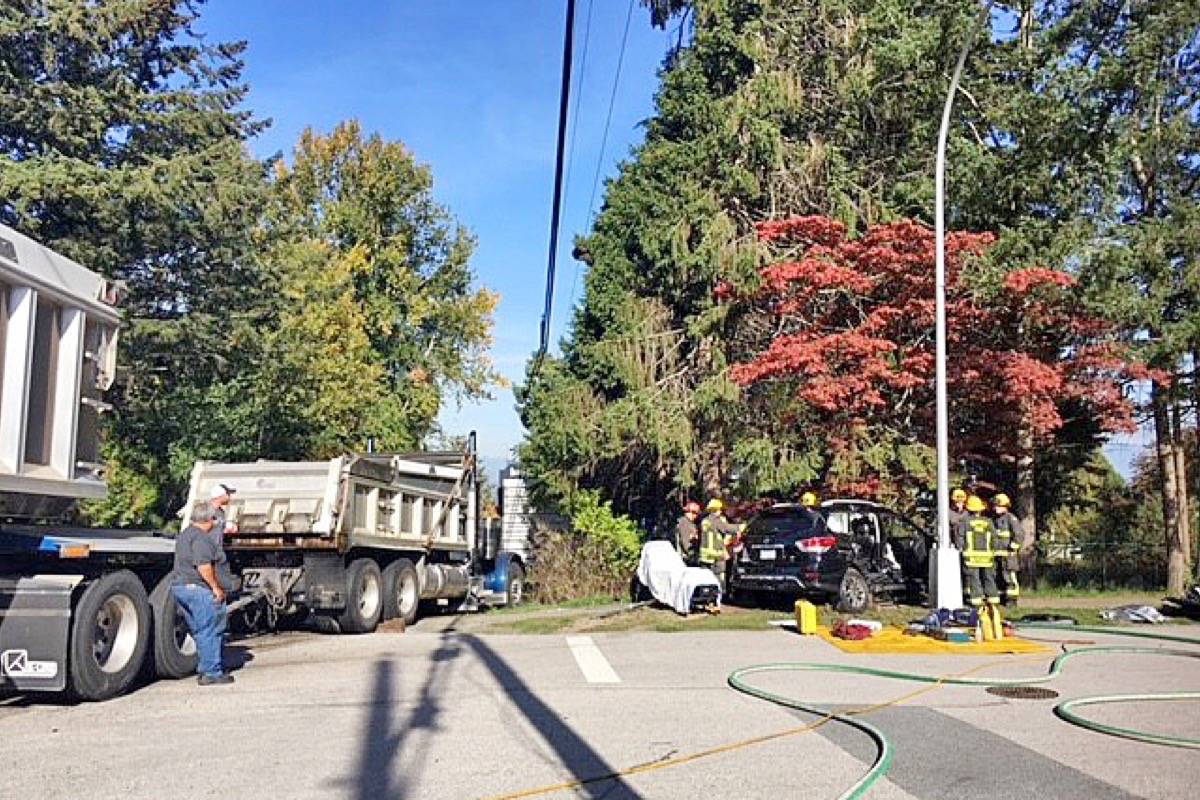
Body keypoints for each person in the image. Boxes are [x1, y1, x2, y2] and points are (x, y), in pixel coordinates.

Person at [171, 503, 235, 685]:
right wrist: (216, 587)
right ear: (210, 520)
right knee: (211, 629)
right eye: (214, 518)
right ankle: (212, 672)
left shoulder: (185, 536)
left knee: (200, 630)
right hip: (199, 589)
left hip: (182, 587)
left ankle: (205, 667)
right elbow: (203, 566)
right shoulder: (202, 539)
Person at [962, 495, 1003, 637]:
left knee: (974, 580)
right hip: (987, 558)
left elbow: (960, 538)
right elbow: (995, 539)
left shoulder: (965, 522)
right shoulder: (988, 522)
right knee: (989, 579)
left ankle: (977, 603)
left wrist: (962, 550)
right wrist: (994, 552)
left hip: (971, 558)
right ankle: (993, 602)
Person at [991, 493, 1025, 605]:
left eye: (997, 505)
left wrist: (1013, 547)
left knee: (1009, 577)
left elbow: (1019, 534)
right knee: (998, 577)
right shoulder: (994, 519)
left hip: (1008, 555)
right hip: (997, 554)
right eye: (994, 505)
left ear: (1004, 506)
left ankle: (1012, 599)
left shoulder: (1011, 518)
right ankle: (1002, 597)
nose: (995, 507)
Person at [700, 498, 739, 592]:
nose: (721, 511)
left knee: (705, 579)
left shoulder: (705, 521)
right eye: (720, 509)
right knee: (718, 577)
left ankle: (707, 598)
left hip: (705, 555)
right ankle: (717, 597)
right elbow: (726, 528)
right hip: (716, 554)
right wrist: (740, 527)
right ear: (716, 509)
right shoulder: (716, 520)